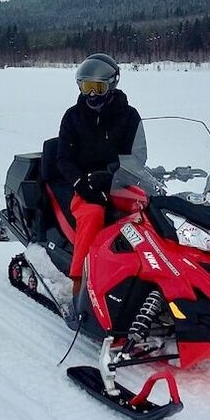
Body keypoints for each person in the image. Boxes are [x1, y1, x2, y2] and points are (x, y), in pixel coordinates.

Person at [57, 53, 141, 295]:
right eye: (86, 87)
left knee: (147, 217)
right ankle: (79, 283)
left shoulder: (129, 116)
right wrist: (80, 182)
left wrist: (114, 173)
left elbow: (137, 155)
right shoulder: (73, 117)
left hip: (119, 181)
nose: (91, 95)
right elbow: (63, 158)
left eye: (97, 88)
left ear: (111, 86)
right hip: (85, 184)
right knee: (93, 215)